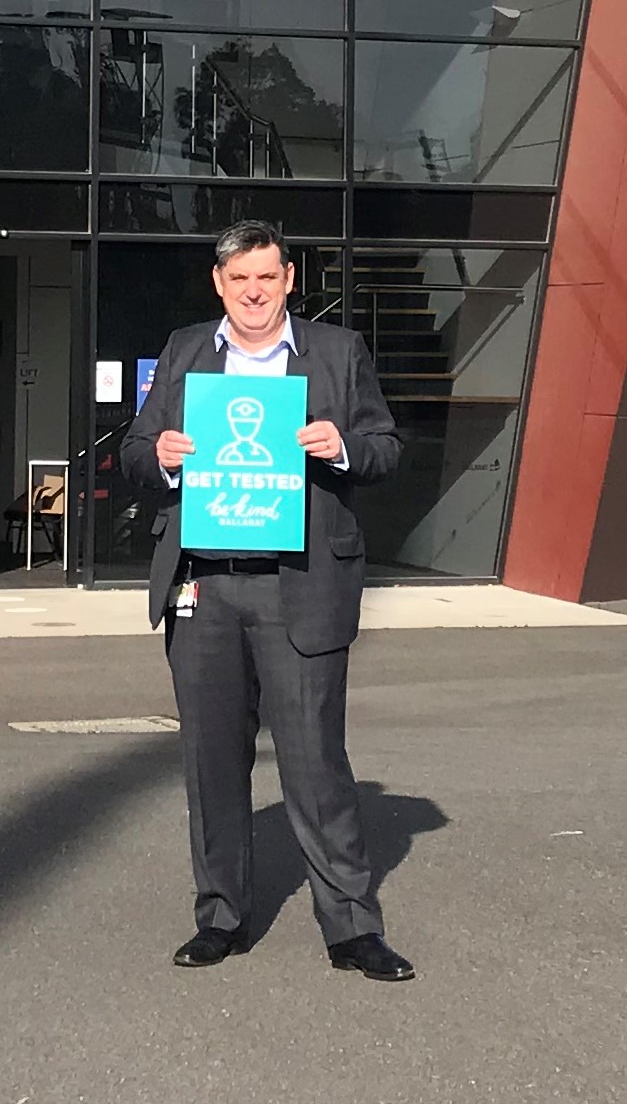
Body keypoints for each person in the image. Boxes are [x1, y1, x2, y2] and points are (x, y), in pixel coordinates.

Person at [119, 220, 413, 983]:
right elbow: (131, 451)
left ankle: (351, 927)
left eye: (267, 277)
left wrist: (340, 444)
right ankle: (220, 915)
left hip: (299, 584)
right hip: (205, 584)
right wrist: (161, 457)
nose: (254, 292)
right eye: (239, 279)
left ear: (288, 280)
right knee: (211, 761)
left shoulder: (337, 354)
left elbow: (385, 445)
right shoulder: (187, 350)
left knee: (316, 761)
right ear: (220, 284)